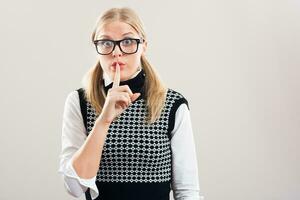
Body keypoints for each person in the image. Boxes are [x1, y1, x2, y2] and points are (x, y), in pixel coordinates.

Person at [58, 7, 203, 200]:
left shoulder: (172, 104)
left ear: (143, 46)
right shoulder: (79, 102)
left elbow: (187, 191)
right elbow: (76, 188)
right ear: (97, 48)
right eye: (106, 43)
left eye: (127, 42)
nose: (117, 52)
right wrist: (104, 121)